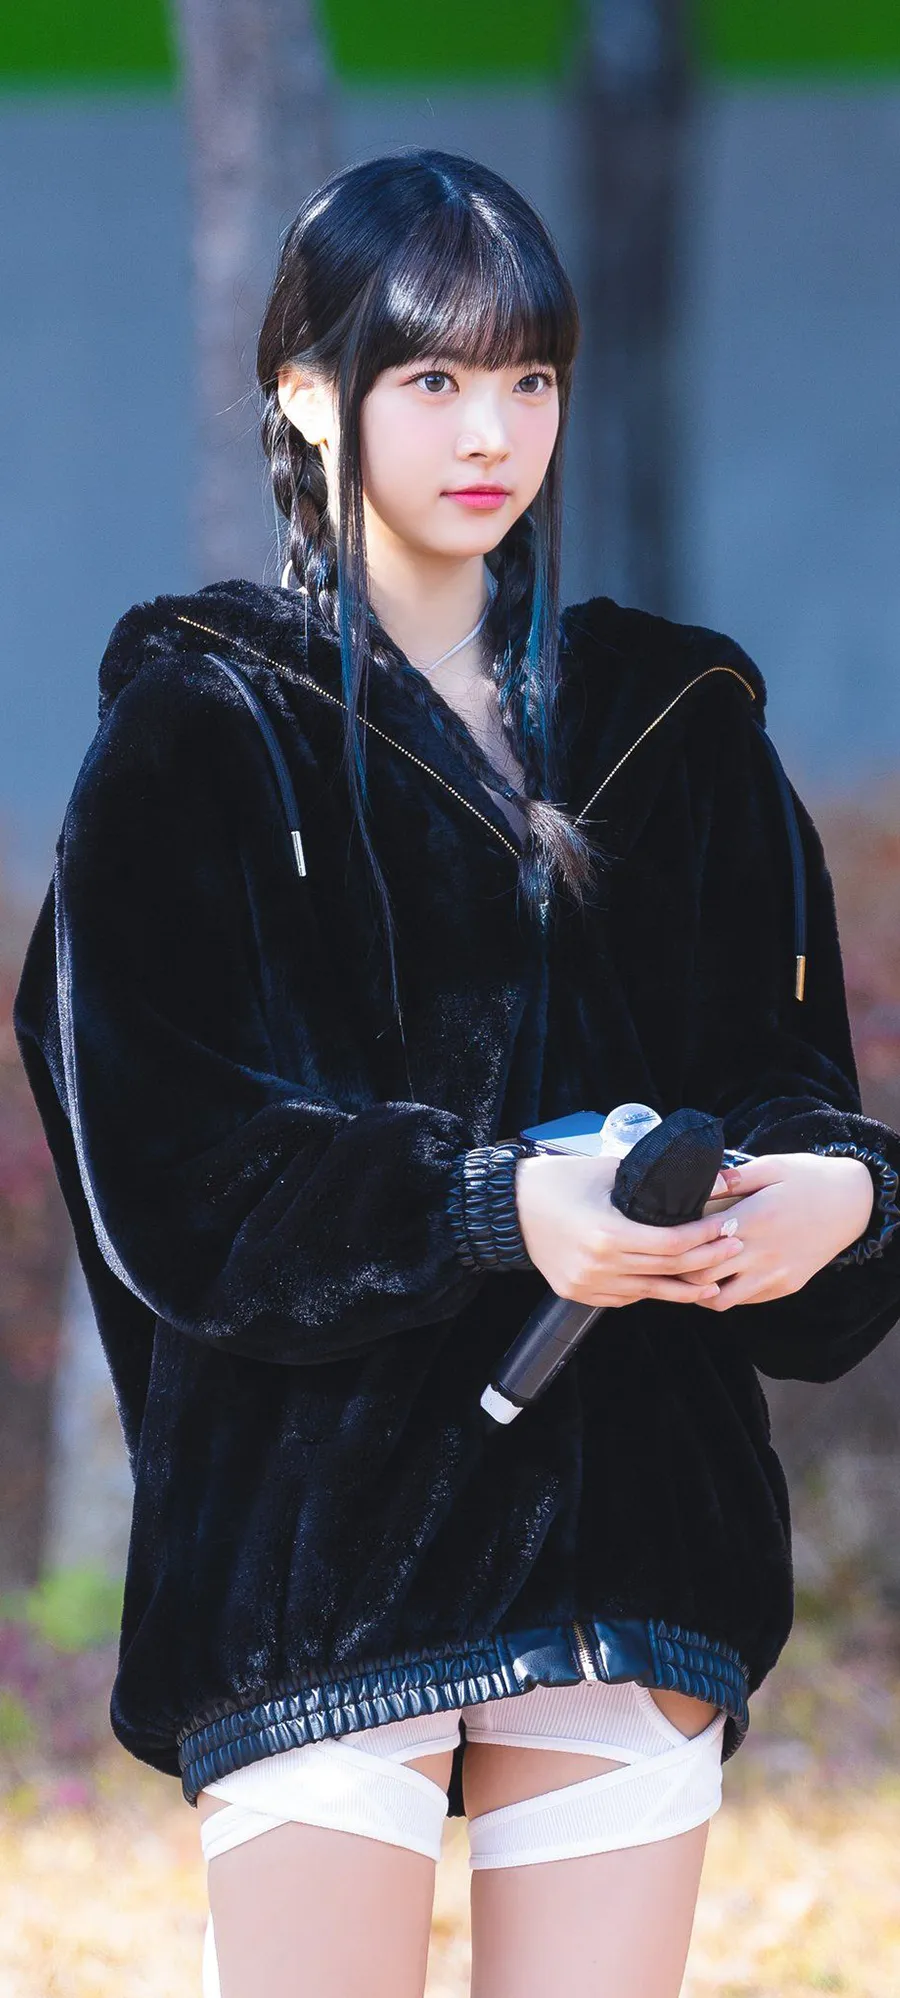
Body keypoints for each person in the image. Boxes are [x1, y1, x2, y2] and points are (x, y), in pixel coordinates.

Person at [14, 147, 900, 1998]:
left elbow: (781, 1078)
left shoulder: (677, 723)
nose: (492, 431)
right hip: (320, 1555)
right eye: (431, 376)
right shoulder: (199, 727)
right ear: (302, 391)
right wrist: (501, 1206)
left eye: (529, 375)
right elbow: (178, 1180)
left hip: (631, 1533)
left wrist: (837, 1193)